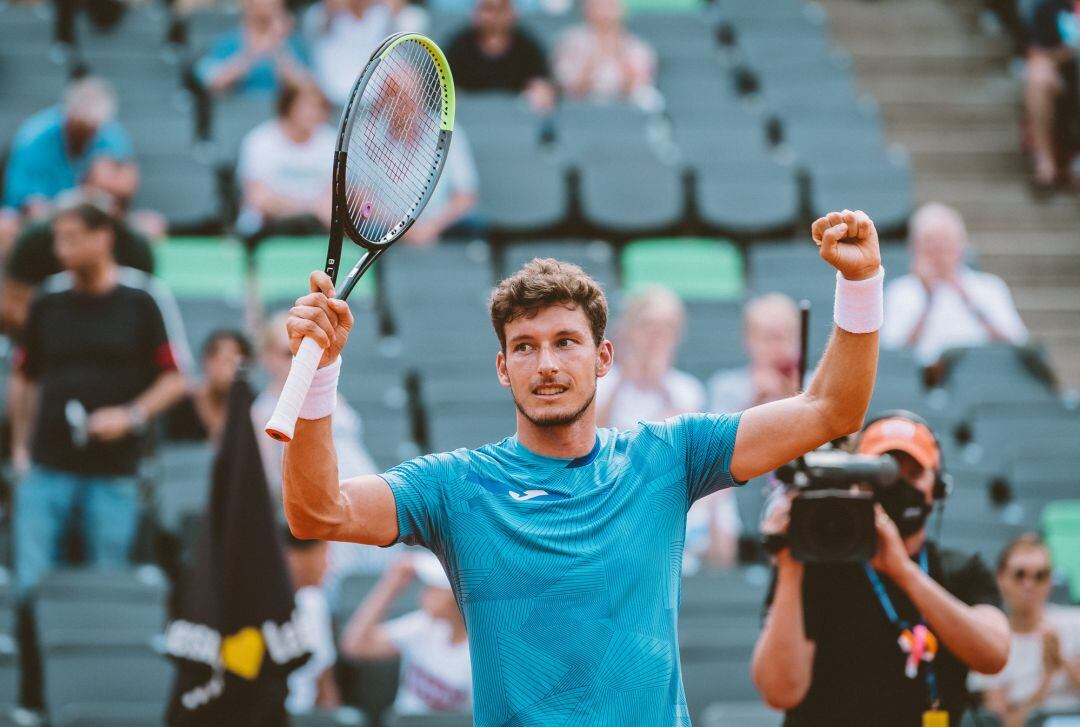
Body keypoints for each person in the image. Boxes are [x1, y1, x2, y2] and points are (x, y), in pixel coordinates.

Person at [281, 206, 888, 724]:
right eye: (524, 347)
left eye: (565, 342)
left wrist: (861, 285)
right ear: (502, 368)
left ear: (603, 358)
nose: (546, 364)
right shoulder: (455, 488)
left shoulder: (668, 456)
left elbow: (833, 408)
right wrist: (321, 372)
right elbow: (316, 511)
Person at [752, 411, 1011, 726]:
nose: (898, 485)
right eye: (882, 472)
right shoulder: (811, 566)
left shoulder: (962, 570)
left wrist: (903, 571)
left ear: (938, 487)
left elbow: (994, 654)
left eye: (914, 472)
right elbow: (780, 693)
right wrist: (790, 567)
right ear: (857, 481)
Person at [8, 194, 188, 598]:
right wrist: (20, 446)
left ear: (103, 237)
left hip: (114, 471)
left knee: (106, 587)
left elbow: (176, 379)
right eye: (58, 239)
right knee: (30, 587)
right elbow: (25, 377)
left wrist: (131, 416)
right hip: (46, 465)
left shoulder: (143, 299)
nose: (61, 250)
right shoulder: (48, 301)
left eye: (72, 238)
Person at [595, 286, 739, 571]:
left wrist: (659, 382)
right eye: (648, 326)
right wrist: (629, 376)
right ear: (628, 331)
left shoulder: (685, 389)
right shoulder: (605, 384)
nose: (656, 337)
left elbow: (691, 445)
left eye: (667, 329)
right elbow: (593, 443)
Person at [881, 202, 1028, 368]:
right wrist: (928, 299)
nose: (938, 250)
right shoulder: (900, 291)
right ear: (914, 247)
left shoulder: (990, 287)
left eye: (945, 241)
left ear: (961, 244)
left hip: (983, 373)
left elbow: (1020, 346)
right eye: (930, 242)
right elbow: (892, 355)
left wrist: (969, 300)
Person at [0, 77, 135, 255]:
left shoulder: (112, 138)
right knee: (5, 225)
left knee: (148, 225)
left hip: (90, 218)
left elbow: (119, 198)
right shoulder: (33, 138)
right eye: (80, 125)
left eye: (93, 127)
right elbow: (26, 203)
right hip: (41, 219)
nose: (86, 132)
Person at [339, 552, 472, 714]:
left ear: (458, 596)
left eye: (435, 589)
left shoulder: (482, 652)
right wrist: (391, 585)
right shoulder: (422, 625)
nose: (424, 594)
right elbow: (355, 646)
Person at [973, 534, 1080, 727]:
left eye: (1040, 576)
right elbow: (1003, 724)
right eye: (1020, 575)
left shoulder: (1075, 623)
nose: (1029, 585)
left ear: (1050, 582)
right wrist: (1047, 679)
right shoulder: (991, 640)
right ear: (1001, 578)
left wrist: (1063, 660)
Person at [235, 80, 335, 244]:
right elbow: (259, 199)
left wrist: (314, 215)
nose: (313, 113)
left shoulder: (332, 142)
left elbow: (331, 202)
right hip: (264, 229)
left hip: (317, 229)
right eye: (306, 106)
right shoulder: (259, 141)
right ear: (288, 106)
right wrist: (306, 211)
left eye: (319, 107)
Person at [445, 0, 557, 114]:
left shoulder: (528, 46)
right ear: (475, 13)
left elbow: (544, 85)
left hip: (517, 122)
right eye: (488, 9)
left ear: (513, 13)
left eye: (502, 9)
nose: (495, 16)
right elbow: (442, 88)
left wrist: (541, 91)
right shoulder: (458, 46)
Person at [709, 292, 802, 413]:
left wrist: (800, 397)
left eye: (784, 337)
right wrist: (755, 402)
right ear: (748, 339)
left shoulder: (817, 387)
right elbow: (719, 431)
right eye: (768, 338)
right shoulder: (726, 388)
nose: (777, 347)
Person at [552, 0, 657, 106]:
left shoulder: (637, 46)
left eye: (610, 5)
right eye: (599, 5)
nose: (605, 12)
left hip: (624, 111)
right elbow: (569, 88)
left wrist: (618, 52)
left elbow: (639, 89)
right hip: (581, 110)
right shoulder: (569, 42)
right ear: (586, 9)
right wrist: (594, 57)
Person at [194, 0, 308, 96]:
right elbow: (214, 83)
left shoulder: (294, 43)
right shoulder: (227, 43)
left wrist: (278, 46)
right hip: (237, 116)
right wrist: (253, 52)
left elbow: (306, 89)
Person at [283, 528, 341, 714]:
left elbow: (325, 684)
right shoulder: (250, 605)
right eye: (323, 554)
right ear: (294, 556)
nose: (328, 566)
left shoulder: (314, 603)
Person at [1024, 0, 1079, 191]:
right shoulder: (1048, 8)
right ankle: (1045, 164)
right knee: (1037, 74)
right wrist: (1068, 51)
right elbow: (1035, 54)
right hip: (1063, 79)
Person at [302, 0, 395, 106]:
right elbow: (313, 28)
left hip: (377, 95)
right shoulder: (318, 15)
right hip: (331, 94)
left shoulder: (382, 14)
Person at [166, 330, 253, 442]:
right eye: (226, 361)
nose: (232, 370)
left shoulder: (249, 402)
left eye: (238, 364)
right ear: (206, 361)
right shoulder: (181, 403)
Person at [401, 124, 481, 245]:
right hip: (381, 229)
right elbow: (361, 195)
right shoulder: (368, 130)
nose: (403, 106)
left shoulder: (448, 132)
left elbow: (466, 196)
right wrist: (401, 229)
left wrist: (429, 229)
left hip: (441, 228)